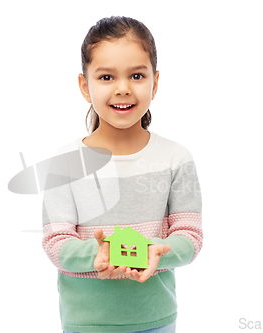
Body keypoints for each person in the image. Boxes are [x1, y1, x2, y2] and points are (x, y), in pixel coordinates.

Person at [42, 16, 202, 333]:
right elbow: (56, 244)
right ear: (85, 86)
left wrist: (155, 251)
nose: (123, 88)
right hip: (87, 323)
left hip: (156, 320)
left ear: (155, 83)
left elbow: (190, 237)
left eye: (137, 75)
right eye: (106, 77)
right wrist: (100, 254)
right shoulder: (65, 163)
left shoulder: (176, 158)